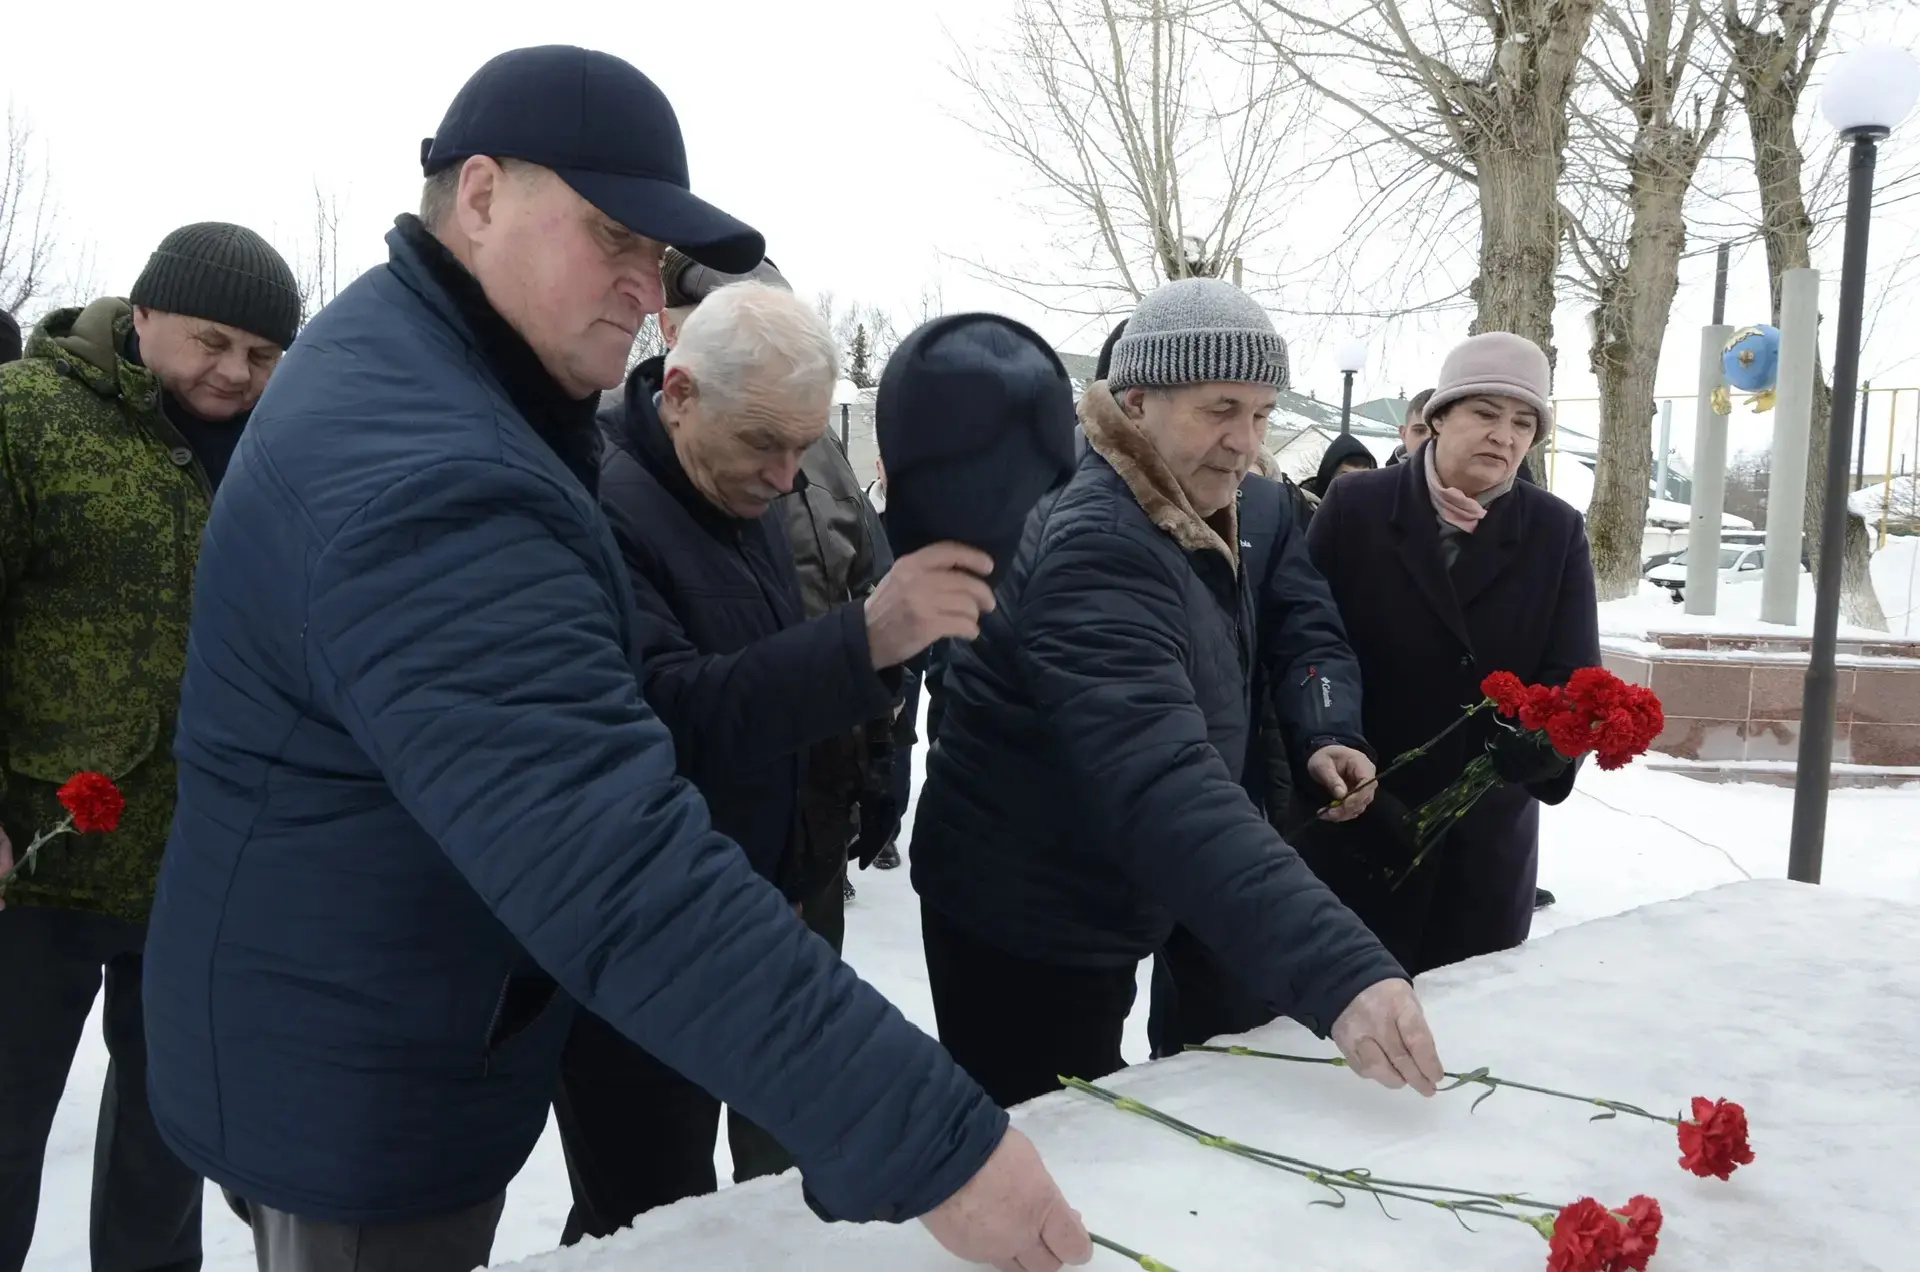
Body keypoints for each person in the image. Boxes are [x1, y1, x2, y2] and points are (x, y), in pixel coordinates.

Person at [141, 45, 1089, 1272]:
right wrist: (929, 1138)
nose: (642, 292)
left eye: (655, 261)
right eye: (612, 239)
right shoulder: (435, 472)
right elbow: (606, 854)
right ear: (479, 197)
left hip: (356, 1008)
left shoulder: (424, 368)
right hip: (361, 1072)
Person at [909, 277, 1442, 1111]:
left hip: (1098, 885)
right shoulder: (1100, 542)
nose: (1245, 443)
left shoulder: (1174, 501)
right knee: (1047, 1149)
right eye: (1219, 407)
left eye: (1263, 415)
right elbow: (1160, 777)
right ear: (1137, 400)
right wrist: (1340, 968)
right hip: (1028, 913)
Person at [562, 281, 983, 1242]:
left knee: (756, 1198)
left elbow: (764, 706)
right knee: (647, 1214)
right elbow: (669, 710)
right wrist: (864, 640)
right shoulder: (599, 505)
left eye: (803, 445)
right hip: (634, 933)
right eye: (765, 442)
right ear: (677, 393)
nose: (788, 476)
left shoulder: (726, 485)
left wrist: (793, 864)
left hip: (742, 906)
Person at [0, 222, 299, 1272]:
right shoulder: (28, 416)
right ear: (143, 315)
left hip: (197, 868)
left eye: (262, 356)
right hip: (37, 862)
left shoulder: (277, 456)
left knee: (168, 1150)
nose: (234, 373)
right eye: (212, 341)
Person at [1296, 332, 1600, 976]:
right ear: (1438, 418)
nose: (1504, 435)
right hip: (1359, 809)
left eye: (1524, 423)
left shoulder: (1554, 529)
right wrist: (1326, 740)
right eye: (1485, 413)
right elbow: (1306, 638)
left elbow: (1574, 676)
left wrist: (1536, 742)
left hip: (1482, 837)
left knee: (1465, 1031)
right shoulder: (1359, 505)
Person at [1301, 431, 1377, 498]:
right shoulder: (1302, 507)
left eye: (1363, 479)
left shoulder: (1376, 507)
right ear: (1329, 477)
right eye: (1346, 478)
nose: (1355, 487)